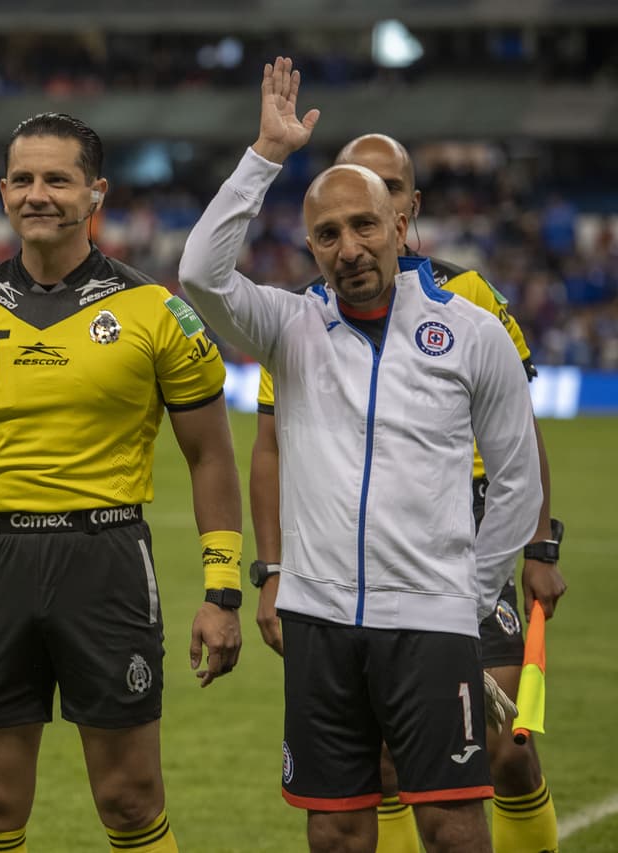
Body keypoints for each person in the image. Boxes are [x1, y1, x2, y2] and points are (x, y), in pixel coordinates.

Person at [178, 58, 542, 853]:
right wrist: (265, 157)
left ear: (401, 224)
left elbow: (517, 479)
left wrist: (468, 594)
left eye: (365, 225)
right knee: (335, 831)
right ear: (310, 244)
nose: (349, 247)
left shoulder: (471, 333)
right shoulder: (290, 327)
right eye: (328, 233)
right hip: (321, 624)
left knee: (450, 826)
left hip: (433, 621)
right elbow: (198, 271)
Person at [0, 111, 243, 853]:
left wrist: (222, 590)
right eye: (23, 179)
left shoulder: (155, 312)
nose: (37, 193)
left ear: (96, 193)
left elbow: (211, 456)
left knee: (131, 799)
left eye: (57, 178)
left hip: (104, 561)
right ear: (4, 191)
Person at [248, 133, 566, 853]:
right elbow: (268, 445)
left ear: (407, 209)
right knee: (381, 770)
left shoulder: (471, 299)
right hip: (351, 562)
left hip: (467, 533)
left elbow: (520, 438)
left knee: (507, 743)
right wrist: (270, 569)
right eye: (358, 199)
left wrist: (539, 543)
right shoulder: (306, 320)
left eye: (390, 190)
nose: (376, 206)